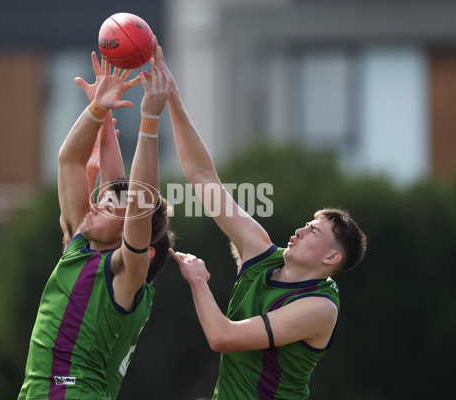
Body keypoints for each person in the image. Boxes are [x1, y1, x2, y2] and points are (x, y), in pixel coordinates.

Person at [151, 43, 367, 399]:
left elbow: (223, 338)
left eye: (313, 231)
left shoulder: (319, 308)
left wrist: (199, 282)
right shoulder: (261, 253)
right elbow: (204, 177)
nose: (298, 230)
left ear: (331, 258)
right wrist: (173, 97)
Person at [18, 41, 175, 400]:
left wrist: (149, 120)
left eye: (108, 207)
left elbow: (136, 204)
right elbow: (70, 162)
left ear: (131, 236)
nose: (96, 204)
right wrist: (99, 111)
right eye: (100, 199)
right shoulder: (81, 248)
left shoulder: (123, 274)